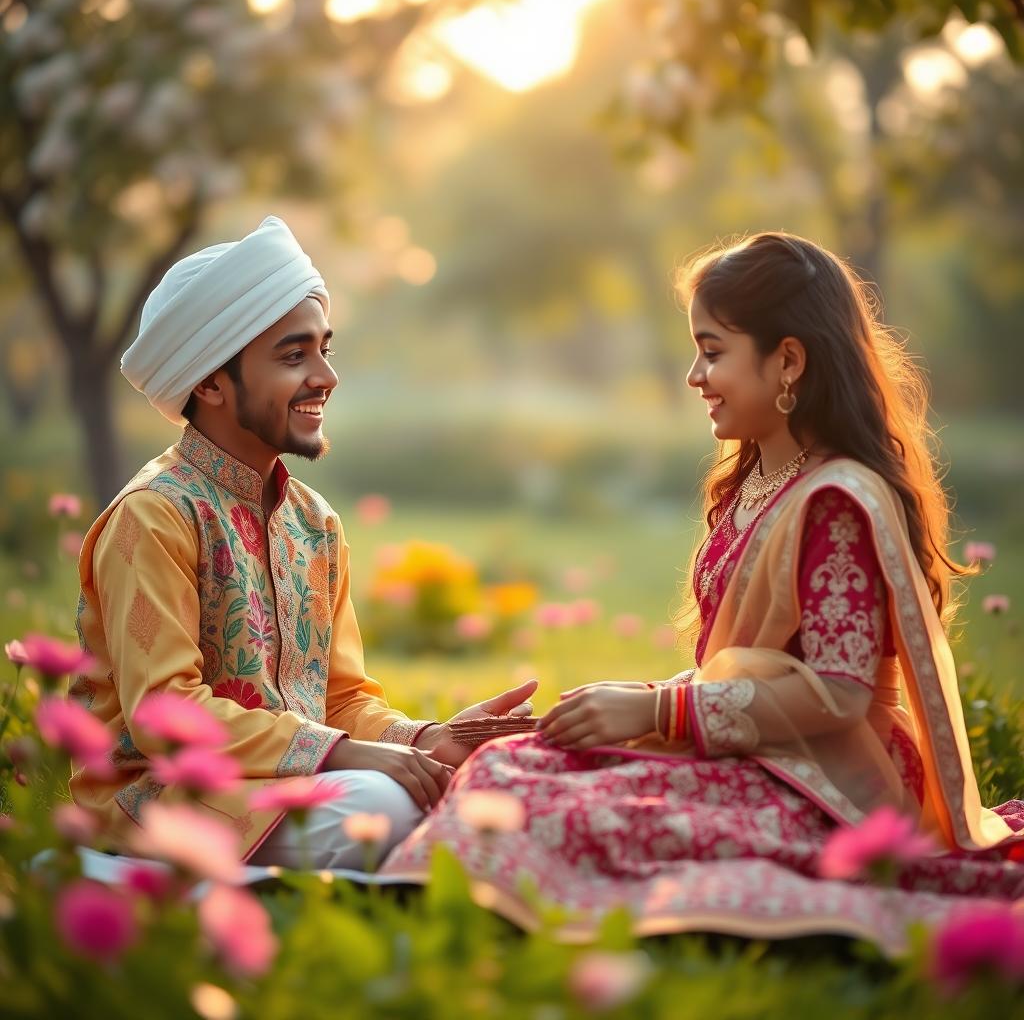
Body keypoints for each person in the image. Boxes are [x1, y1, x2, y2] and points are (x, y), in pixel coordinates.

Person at [380, 232, 1023, 949]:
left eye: (713, 351)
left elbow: (839, 694)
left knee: (544, 797)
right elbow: (746, 662)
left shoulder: (836, 500)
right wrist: (644, 705)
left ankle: (484, 896)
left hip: (829, 787)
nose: (694, 375)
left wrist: (661, 707)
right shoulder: (756, 482)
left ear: (787, 360)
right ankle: (465, 882)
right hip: (758, 756)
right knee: (513, 759)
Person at [70, 216, 535, 870]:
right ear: (209, 383)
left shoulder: (314, 525)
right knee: (383, 803)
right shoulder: (154, 517)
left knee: (484, 780)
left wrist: (429, 739)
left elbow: (341, 699)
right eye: (294, 356)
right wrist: (346, 754)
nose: (326, 377)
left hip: (294, 787)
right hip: (165, 801)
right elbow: (166, 716)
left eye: (325, 349)